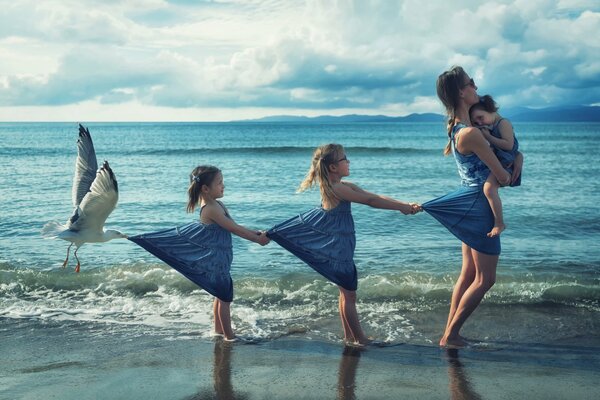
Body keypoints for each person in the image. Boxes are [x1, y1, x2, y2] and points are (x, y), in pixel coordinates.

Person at [268, 144, 420, 346]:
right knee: (349, 293)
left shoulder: (343, 185)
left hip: (342, 243)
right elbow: (370, 201)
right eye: (344, 159)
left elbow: (374, 196)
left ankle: (350, 336)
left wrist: (404, 205)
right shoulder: (337, 188)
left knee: (345, 292)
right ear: (333, 167)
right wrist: (401, 207)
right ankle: (360, 339)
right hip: (338, 245)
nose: (348, 161)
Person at [423, 66, 522, 348]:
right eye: (471, 83)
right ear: (460, 92)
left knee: (468, 274)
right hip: (480, 208)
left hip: (469, 202)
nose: (476, 86)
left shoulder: (458, 128)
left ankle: (449, 332)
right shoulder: (472, 134)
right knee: (485, 278)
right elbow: (501, 177)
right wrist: (512, 166)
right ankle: (451, 336)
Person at [129, 165, 270, 341]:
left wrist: (256, 233)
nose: (223, 186)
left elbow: (236, 225)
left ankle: (218, 331)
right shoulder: (210, 209)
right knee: (225, 297)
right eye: (220, 183)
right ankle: (229, 337)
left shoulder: (218, 204)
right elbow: (233, 229)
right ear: (205, 189)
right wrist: (257, 240)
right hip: (216, 259)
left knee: (220, 295)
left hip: (223, 256)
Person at [469, 94, 521, 237]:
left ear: (491, 110)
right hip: (502, 161)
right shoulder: (489, 125)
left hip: (506, 163)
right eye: (476, 122)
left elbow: (508, 145)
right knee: (488, 189)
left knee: (489, 189)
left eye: (480, 117)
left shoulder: (503, 123)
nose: (479, 123)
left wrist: (488, 137)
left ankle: (499, 223)